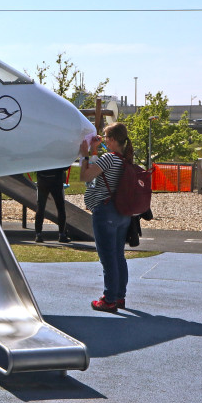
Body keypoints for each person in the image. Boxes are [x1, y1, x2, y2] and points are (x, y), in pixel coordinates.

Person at [78, 122, 134, 313]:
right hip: (121, 212)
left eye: (105, 137)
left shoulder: (109, 158)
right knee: (118, 256)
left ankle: (109, 300)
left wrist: (84, 153)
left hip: (105, 211)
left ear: (111, 140)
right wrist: (94, 150)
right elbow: (97, 172)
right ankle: (119, 296)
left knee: (107, 258)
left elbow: (86, 176)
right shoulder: (123, 159)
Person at [34, 166, 71, 243]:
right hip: (56, 179)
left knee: (41, 207)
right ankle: (62, 234)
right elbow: (65, 167)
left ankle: (38, 234)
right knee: (60, 207)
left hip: (42, 179)